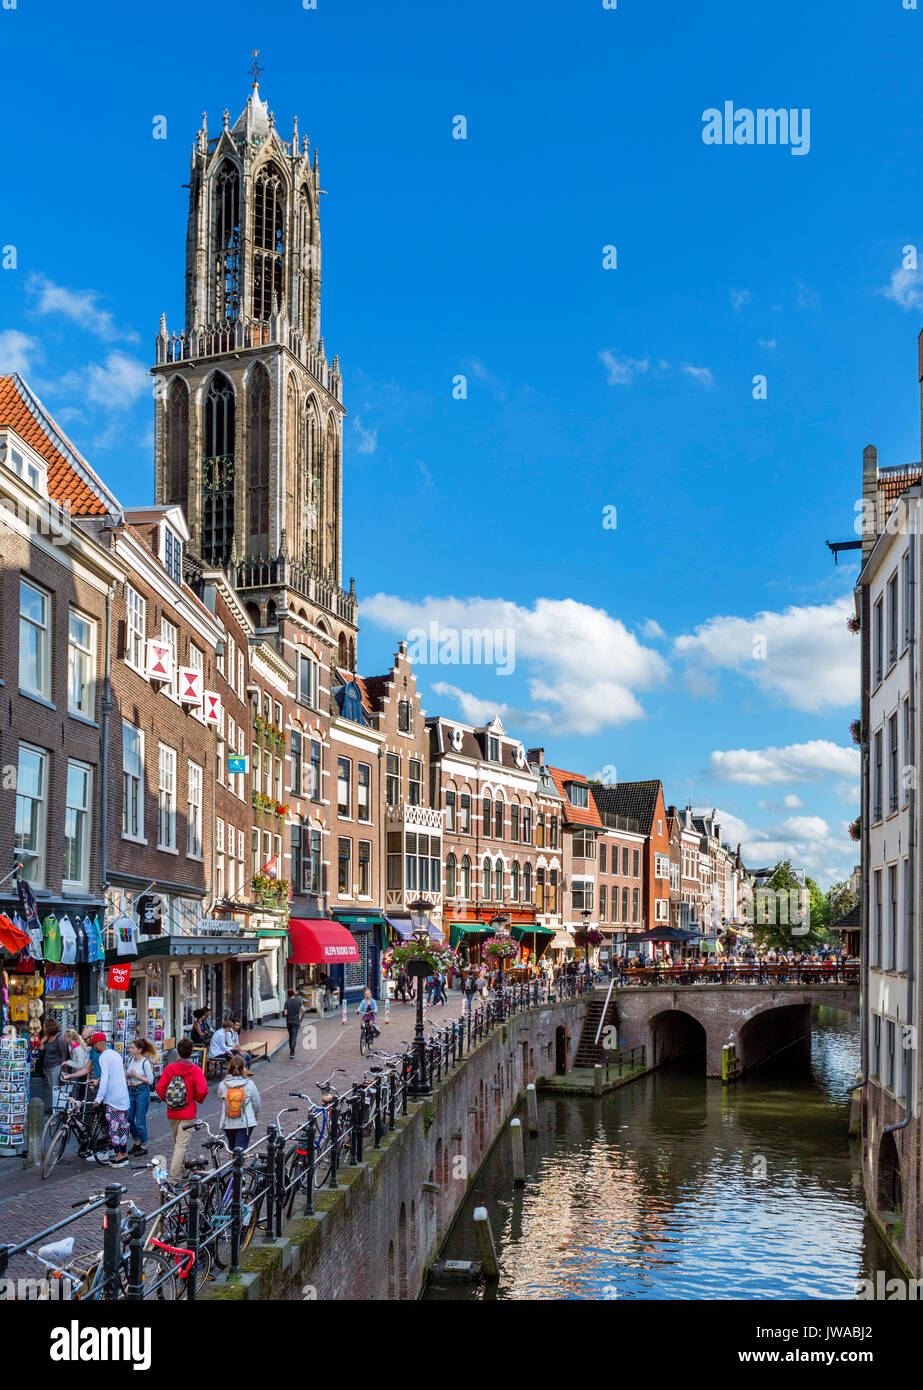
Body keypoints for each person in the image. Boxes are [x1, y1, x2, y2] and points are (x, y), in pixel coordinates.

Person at [156, 1038, 209, 1182]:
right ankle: (173, 1179)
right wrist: (197, 1099)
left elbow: (160, 1088)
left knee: (178, 1143)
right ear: (191, 1052)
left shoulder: (169, 1069)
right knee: (180, 1146)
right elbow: (203, 1090)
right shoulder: (195, 1070)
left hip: (172, 1112)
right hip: (188, 1112)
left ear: (178, 1052)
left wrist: (169, 1101)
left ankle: (184, 1171)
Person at [91, 1032, 130, 1167]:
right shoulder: (115, 1054)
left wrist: (99, 1098)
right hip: (123, 1096)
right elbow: (116, 1074)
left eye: (93, 1045)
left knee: (113, 1128)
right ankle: (124, 1155)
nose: (93, 1048)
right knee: (123, 1127)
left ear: (97, 1044)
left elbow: (106, 1078)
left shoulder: (103, 1057)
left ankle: (118, 1156)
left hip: (112, 1097)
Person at [218, 1055, 262, 1151]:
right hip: (245, 1123)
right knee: (240, 1152)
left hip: (228, 1123)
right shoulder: (250, 1084)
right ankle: (235, 1165)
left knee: (232, 1148)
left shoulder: (222, 1085)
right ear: (244, 1068)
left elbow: (221, 1099)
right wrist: (254, 1116)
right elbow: (257, 1104)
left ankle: (232, 1165)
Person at [126, 1038, 156, 1156]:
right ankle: (137, 1141)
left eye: (133, 1047)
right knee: (129, 1117)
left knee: (140, 1120)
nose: (130, 1049)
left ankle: (144, 1145)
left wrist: (136, 1076)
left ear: (139, 1050)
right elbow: (129, 1074)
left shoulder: (145, 1062)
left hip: (142, 1090)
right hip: (131, 1089)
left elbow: (150, 1080)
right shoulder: (130, 1060)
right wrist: (128, 1077)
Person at [39, 1021, 69, 1115]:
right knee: (51, 1088)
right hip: (48, 1067)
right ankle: (55, 1110)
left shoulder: (59, 1039)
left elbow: (64, 1055)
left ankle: (56, 1112)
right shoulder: (46, 1038)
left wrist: (63, 1070)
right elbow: (42, 1052)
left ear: (50, 1028)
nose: (43, 1029)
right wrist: (42, 1042)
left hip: (56, 1067)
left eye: (44, 1027)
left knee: (56, 1089)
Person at [284, 988, 304, 1059]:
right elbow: (303, 1010)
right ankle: (292, 1052)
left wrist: (287, 1015)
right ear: (294, 994)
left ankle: (291, 1050)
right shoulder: (298, 1001)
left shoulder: (287, 1002)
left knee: (290, 1036)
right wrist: (301, 1019)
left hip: (289, 1021)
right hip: (296, 1021)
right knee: (294, 1036)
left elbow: (285, 1013)